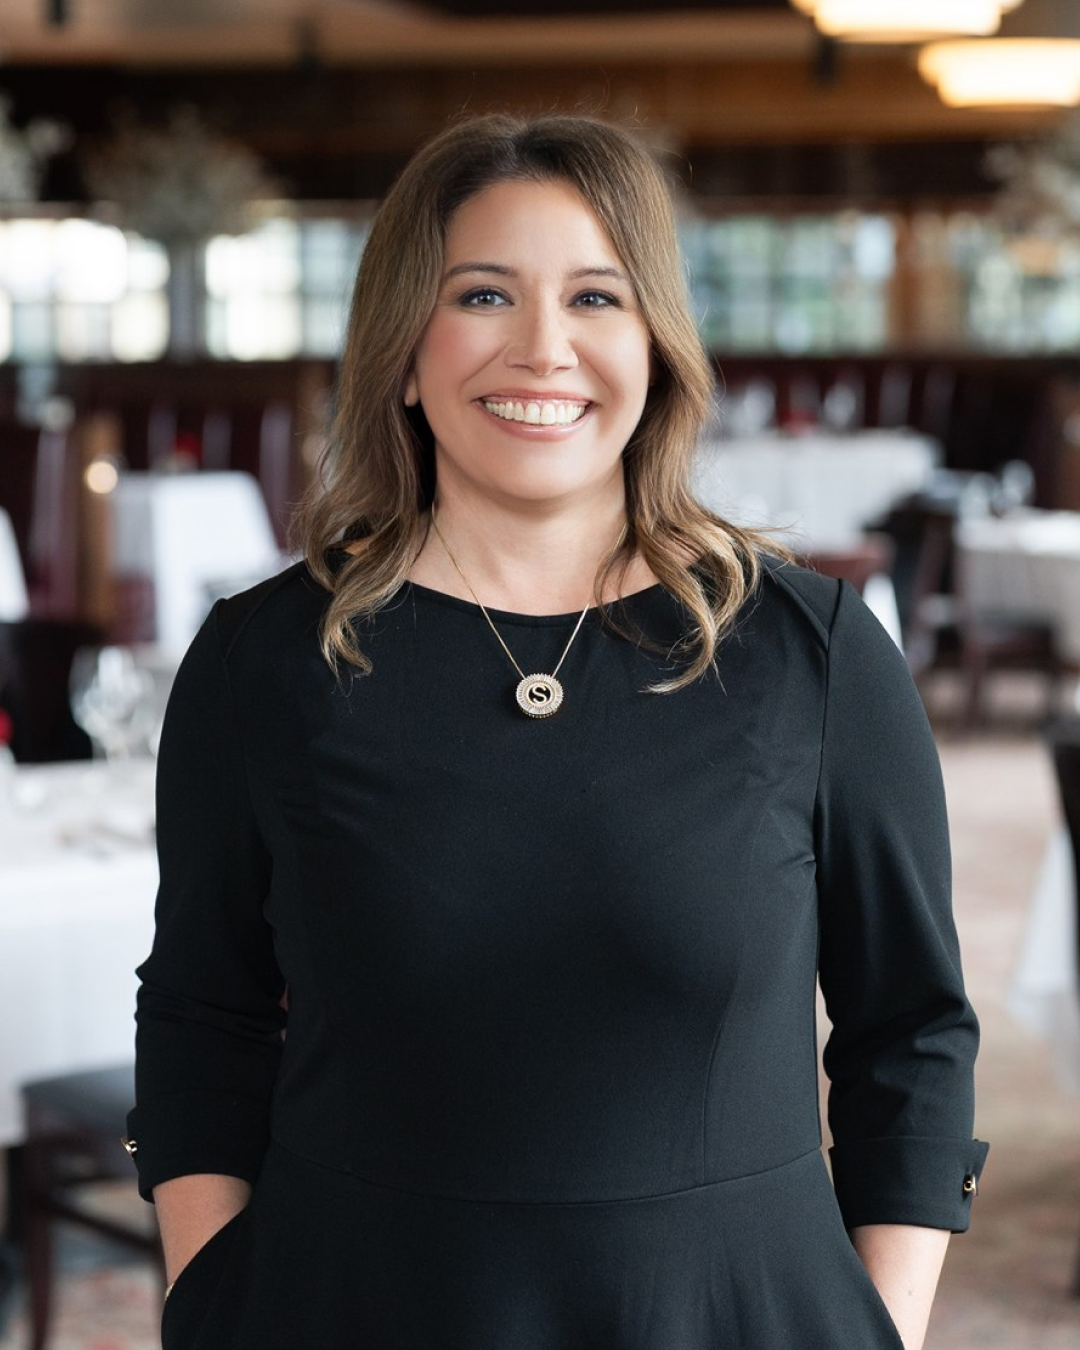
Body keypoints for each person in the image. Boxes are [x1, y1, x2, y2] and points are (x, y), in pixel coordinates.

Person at [125, 113, 987, 1350]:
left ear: (657, 348)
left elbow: (912, 1025)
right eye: (483, 294)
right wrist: (209, 1295)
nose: (544, 349)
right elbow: (203, 1010)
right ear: (404, 350)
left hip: (734, 1317)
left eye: (597, 297)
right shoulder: (263, 662)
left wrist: (877, 1325)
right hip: (347, 1309)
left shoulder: (817, 653)